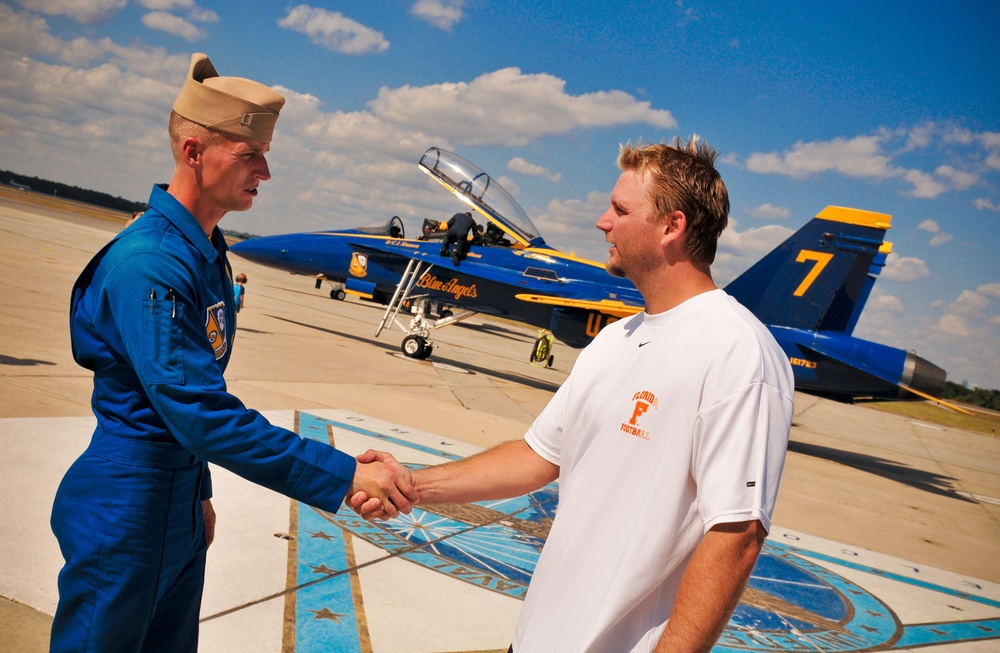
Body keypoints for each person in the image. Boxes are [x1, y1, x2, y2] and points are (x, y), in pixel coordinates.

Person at [355, 137, 795, 652]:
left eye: (620, 209)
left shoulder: (738, 352)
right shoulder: (617, 339)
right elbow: (538, 456)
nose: (601, 221)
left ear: (671, 227)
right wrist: (412, 485)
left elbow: (737, 535)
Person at [50, 53, 417, 653]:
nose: (265, 171)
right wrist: (346, 472)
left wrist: (195, 494)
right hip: (126, 509)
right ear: (195, 153)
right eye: (250, 155)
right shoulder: (152, 264)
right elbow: (198, 412)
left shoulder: (203, 252)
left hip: (171, 502)